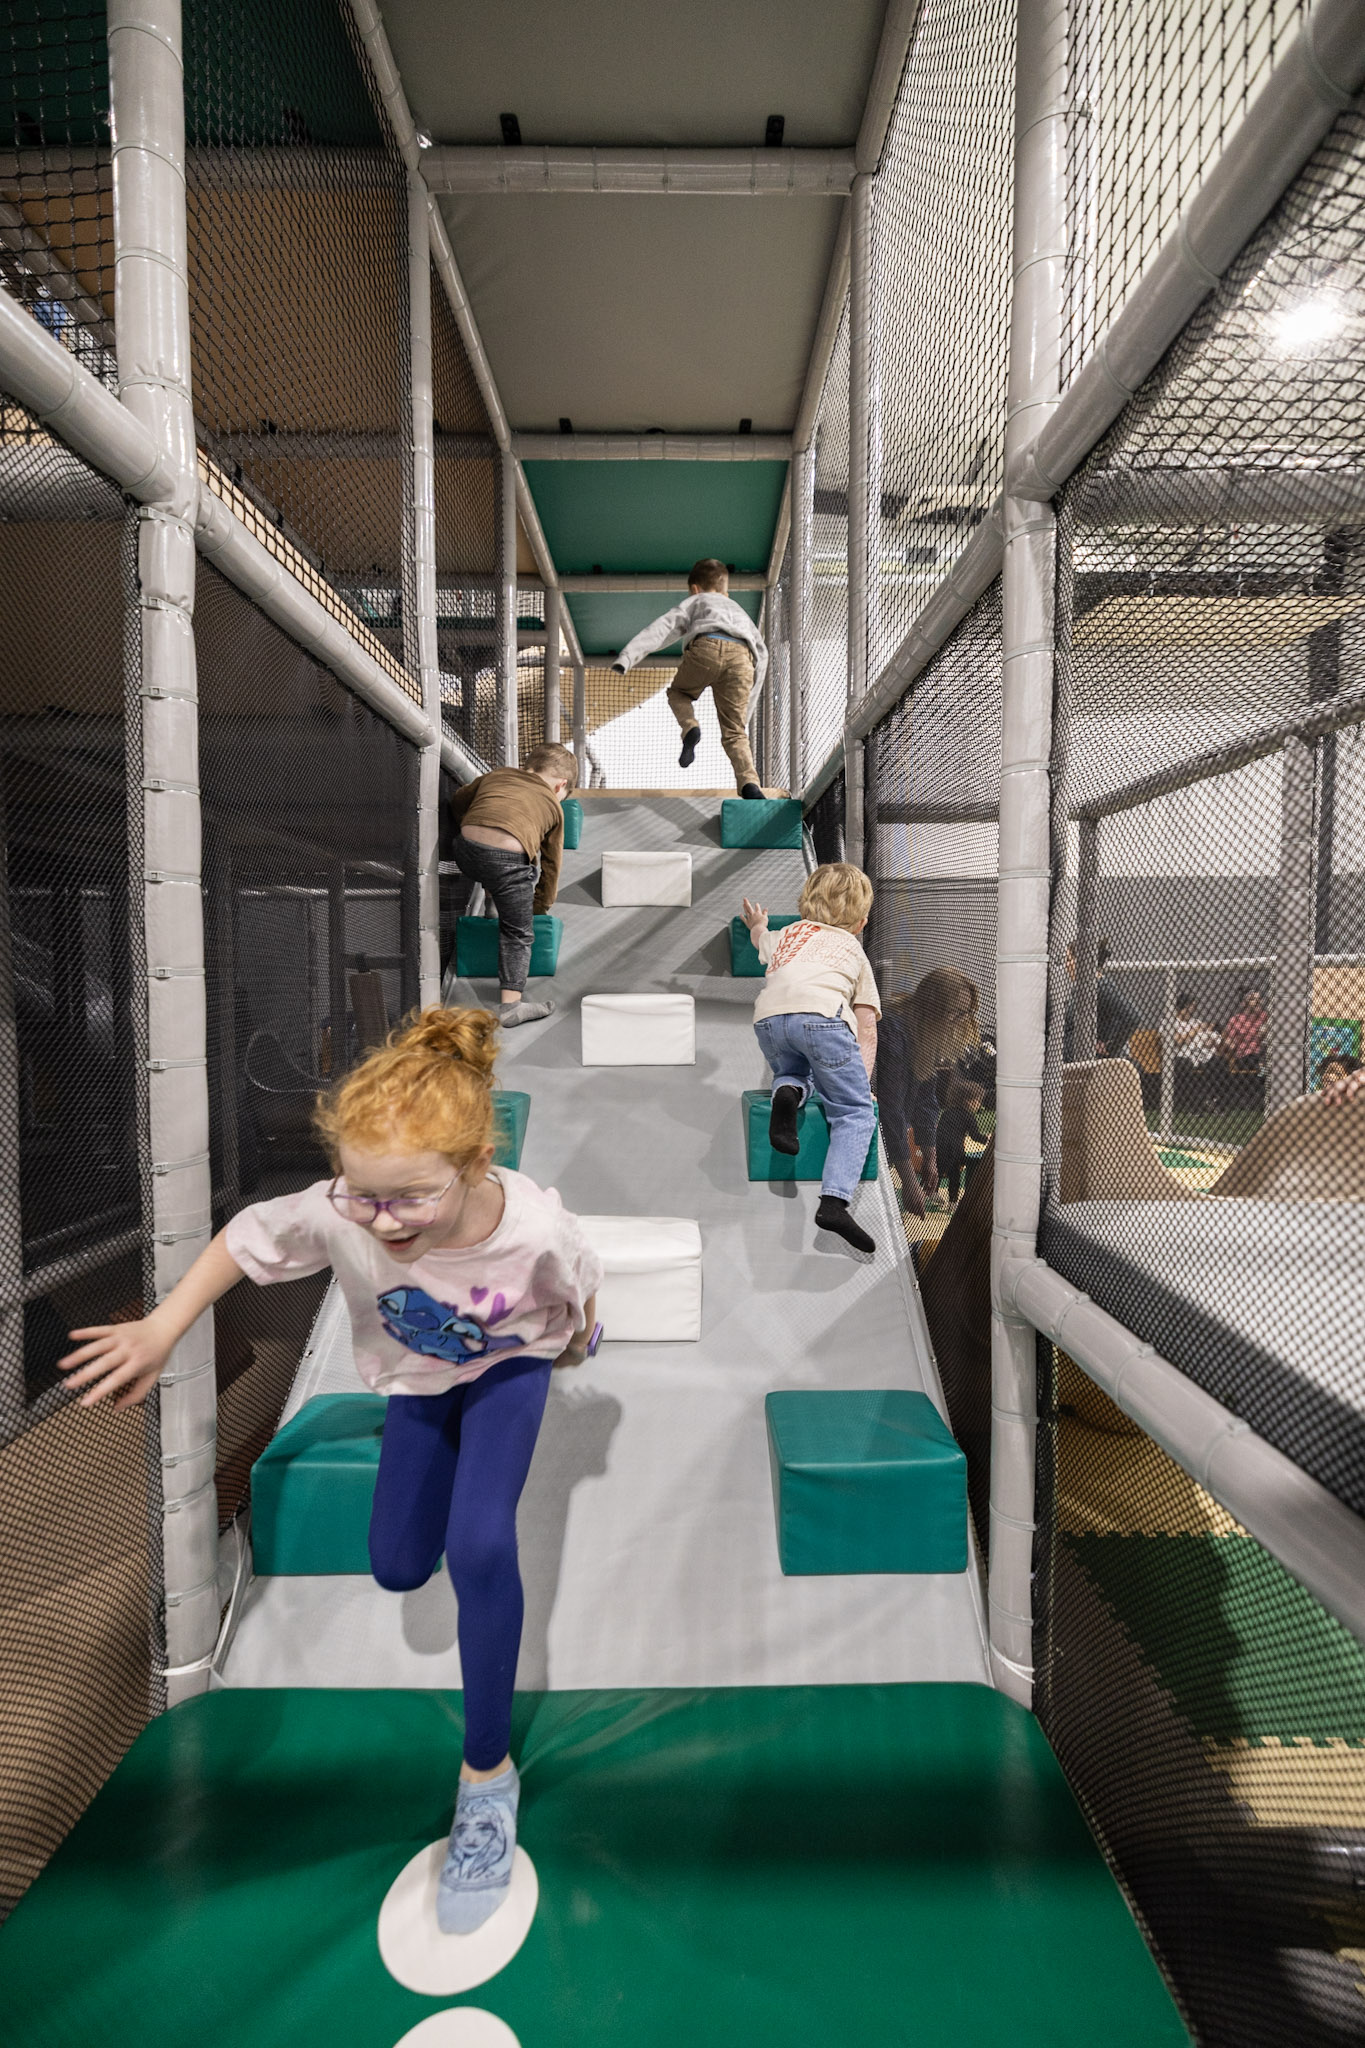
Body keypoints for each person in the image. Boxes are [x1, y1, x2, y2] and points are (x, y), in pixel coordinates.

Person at [58, 1007, 602, 1939]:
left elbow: (578, 1292)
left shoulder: (534, 1230)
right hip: (418, 1376)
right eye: (363, 1198)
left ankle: (486, 1779)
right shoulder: (344, 1207)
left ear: (476, 1164)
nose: (383, 1222)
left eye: (410, 1200)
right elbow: (244, 1238)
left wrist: (580, 1339)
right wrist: (162, 1325)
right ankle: (433, 1487)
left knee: (479, 1544)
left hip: (510, 1364)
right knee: (397, 1564)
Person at [743, 862, 880, 1253]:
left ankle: (786, 1092)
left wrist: (757, 922)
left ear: (805, 904)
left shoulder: (789, 933)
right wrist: (861, 1087)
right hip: (823, 1019)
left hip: (769, 1019)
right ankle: (834, 1203)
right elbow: (866, 1026)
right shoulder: (853, 949)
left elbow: (759, 939)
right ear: (860, 923)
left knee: (792, 1068)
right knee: (854, 1112)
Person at [611, 557, 768, 799]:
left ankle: (690, 728)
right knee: (735, 731)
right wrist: (746, 711)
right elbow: (763, 655)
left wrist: (627, 658)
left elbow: (662, 628)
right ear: (726, 592)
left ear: (695, 589)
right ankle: (750, 783)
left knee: (678, 693)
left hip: (706, 647)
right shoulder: (739, 611)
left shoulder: (696, 600)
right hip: (742, 658)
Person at [447, 742, 578, 1027]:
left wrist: (470, 824)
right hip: (506, 864)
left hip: (464, 851)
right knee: (517, 932)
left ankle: (493, 902)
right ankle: (510, 1007)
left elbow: (458, 800)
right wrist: (537, 909)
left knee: (496, 868)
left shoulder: (497, 775)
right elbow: (552, 866)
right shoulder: (554, 809)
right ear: (560, 786)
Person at [876, 967, 981, 1218]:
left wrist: (930, 1158)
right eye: (955, 1012)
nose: (959, 1021)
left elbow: (926, 1099)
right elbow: (891, 1109)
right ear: (934, 1007)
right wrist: (908, 1180)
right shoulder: (894, 1029)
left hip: (887, 1134)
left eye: (964, 1013)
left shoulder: (924, 1035)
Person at [1062, 939, 1141, 1061]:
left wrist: (1110, 1047)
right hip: (1073, 1059)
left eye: (1068, 960)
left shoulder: (1102, 987)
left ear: (1082, 961)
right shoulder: (1082, 988)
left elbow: (1132, 1016)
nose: (1066, 965)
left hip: (1089, 1061)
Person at [934, 1077, 988, 1208]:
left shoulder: (946, 1112)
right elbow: (975, 1136)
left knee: (938, 1170)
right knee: (954, 1176)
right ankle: (953, 1201)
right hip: (955, 1150)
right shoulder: (969, 1116)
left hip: (939, 1146)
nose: (979, 1104)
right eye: (978, 1101)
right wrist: (987, 1140)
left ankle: (932, 1191)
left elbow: (940, 1129)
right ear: (969, 1101)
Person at [1168, 990, 1221, 1110]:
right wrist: (1196, 1030)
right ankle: (1194, 1104)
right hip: (1179, 1056)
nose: (1192, 1009)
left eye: (1193, 1006)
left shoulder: (1196, 1022)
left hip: (1198, 1053)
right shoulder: (1170, 1022)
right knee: (1185, 1064)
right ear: (1183, 1006)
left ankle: (1212, 1100)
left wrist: (1209, 1041)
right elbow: (1178, 1041)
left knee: (1218, 1061)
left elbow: (1204, 1037)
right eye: (1190, 1006)